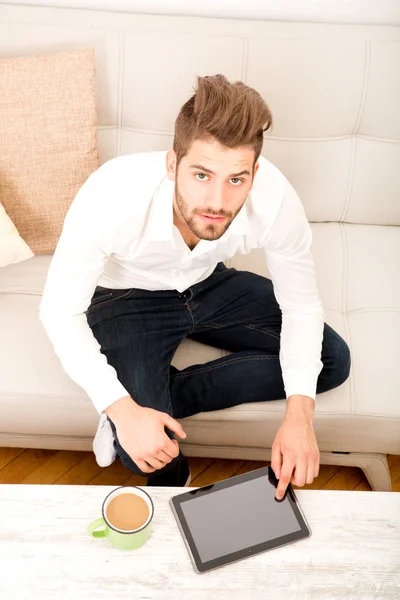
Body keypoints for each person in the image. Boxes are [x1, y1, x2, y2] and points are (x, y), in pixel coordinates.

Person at [39, 74, 351, 500]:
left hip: (208, 283)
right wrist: (121, 407)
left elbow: (301, 306)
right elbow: (59, 312)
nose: (218, 201)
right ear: (172, 164)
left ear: (255, 172)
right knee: (139, 452)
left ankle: (164, 397)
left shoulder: (276, 198)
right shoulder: (111, 194)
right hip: (127, 298)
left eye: (236, 179)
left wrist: (300, 415)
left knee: (331, 360)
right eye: (201, 174)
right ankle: (138, 407)